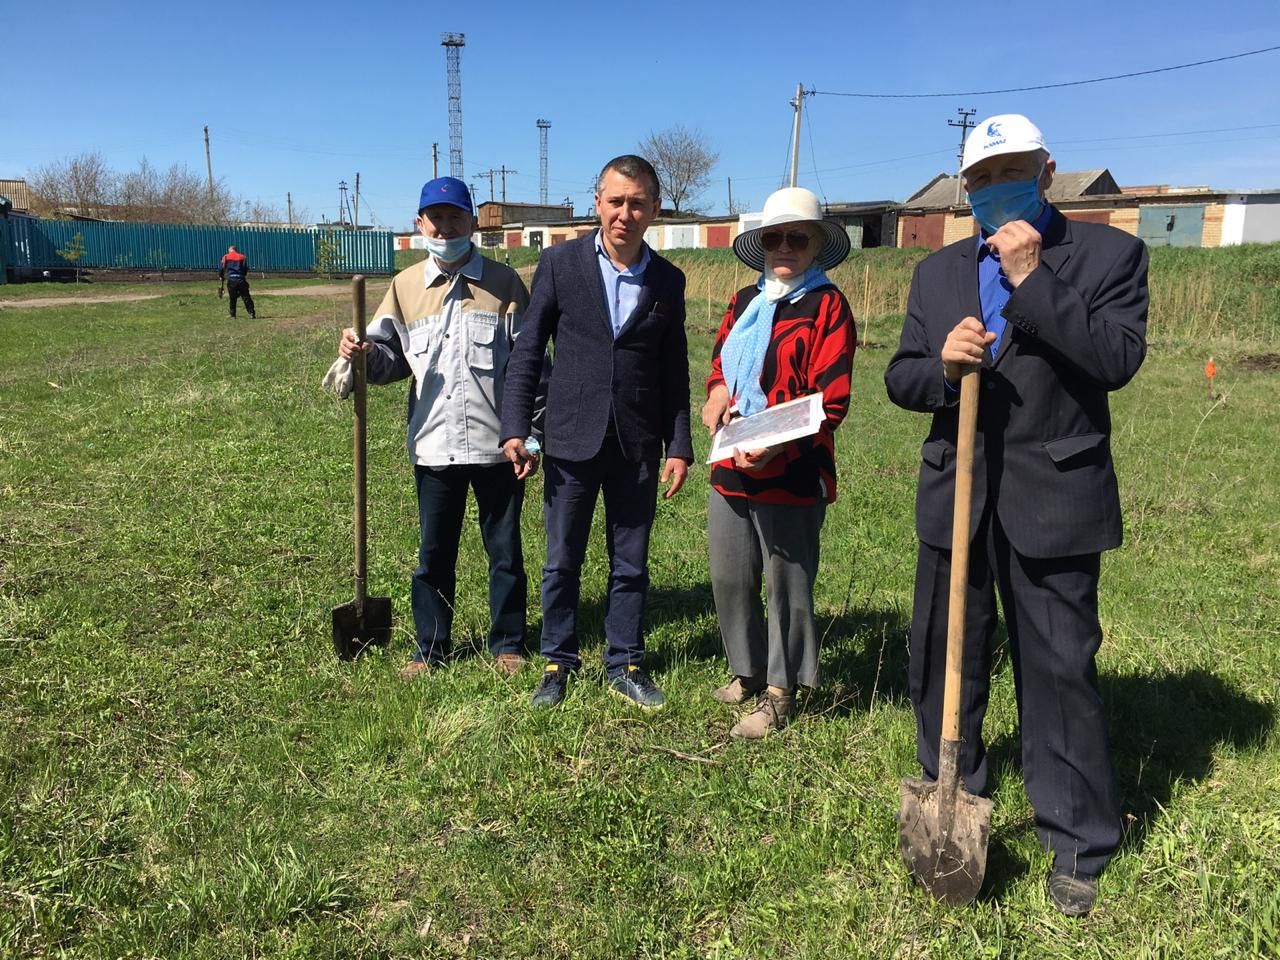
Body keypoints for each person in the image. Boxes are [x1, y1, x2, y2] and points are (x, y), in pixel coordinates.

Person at [884, 114, 1148, 916]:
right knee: (943, 656)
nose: (997, 185)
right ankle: (952, 789)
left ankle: (1076, 839)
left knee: (1059, 668)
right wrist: (940, 366)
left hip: (1053, 494)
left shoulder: (1109, 255)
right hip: (956, 492)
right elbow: (900, 377)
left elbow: (1116, 358)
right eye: (982, 176)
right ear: (965, 190)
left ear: (1046, 168)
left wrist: (1036, 284)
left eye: (1014, 168)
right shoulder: (936, 275)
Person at [499, 154, 693, 710]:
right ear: (597, 203)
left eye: (637, 203)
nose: (624, 214)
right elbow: (530, 349)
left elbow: (672, 369)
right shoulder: (559, 265)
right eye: (615, 201)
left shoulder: (668, 280)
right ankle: (558, 661)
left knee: (631, 561)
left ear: (654, 209)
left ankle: (625, 660)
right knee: (562, 560)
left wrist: (678, 444)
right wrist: (516, 425)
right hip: (569, 438)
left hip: (636, 444)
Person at [327, 177, 536, 679]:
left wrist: (530, 436)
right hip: (433, 446)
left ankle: (508, 642)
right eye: (435, 218)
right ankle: (432, 647)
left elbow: (532, 369)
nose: (445, 227)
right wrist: (361, 354)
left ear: (473, 225)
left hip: (497, 448)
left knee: (505, 552)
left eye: (455, 218)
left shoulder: (505, 286)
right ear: (420, 224)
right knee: (434, 554)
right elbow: (388, 362)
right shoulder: (403, 289)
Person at [701, 187, 855, 738]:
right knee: (729, 573)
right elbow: (721, 361)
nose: (785, 246)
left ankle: (779, 691)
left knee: (786, 583)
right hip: (731, 462)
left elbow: (829, 399)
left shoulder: (827, 306)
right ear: (761, 243)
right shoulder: (745, 302)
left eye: (797, 237)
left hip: (790, 466)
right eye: (774, 237)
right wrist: (717, 391)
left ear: (816, 245)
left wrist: (775, 442)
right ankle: (745, 670)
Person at [219, 245, 255, 319]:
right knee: (246, 297)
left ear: (230, 250)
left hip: (231, 280)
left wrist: (221, 276)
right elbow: (245, 268)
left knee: (232, 298)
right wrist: (243, 275)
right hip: (240, 279)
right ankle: (251, 313)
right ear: (236, 250)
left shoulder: (226, 257)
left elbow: (222, 268)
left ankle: (233, 315)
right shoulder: (242, 257)